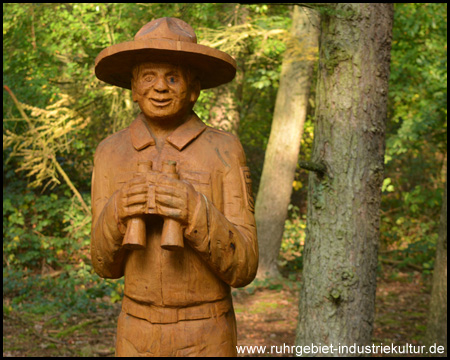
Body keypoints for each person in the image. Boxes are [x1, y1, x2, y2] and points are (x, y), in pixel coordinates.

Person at [91, 17, 258, 356]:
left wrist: (194, 210)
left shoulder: (223, 150)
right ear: (134, 89)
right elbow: (103, 266)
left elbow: (245, 267)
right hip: (135, 330)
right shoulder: (111, 152)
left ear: (193, 89)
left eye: (173, 77)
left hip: (207, 329)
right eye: (149, 76)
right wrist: (118, 212)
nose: (160, 87)